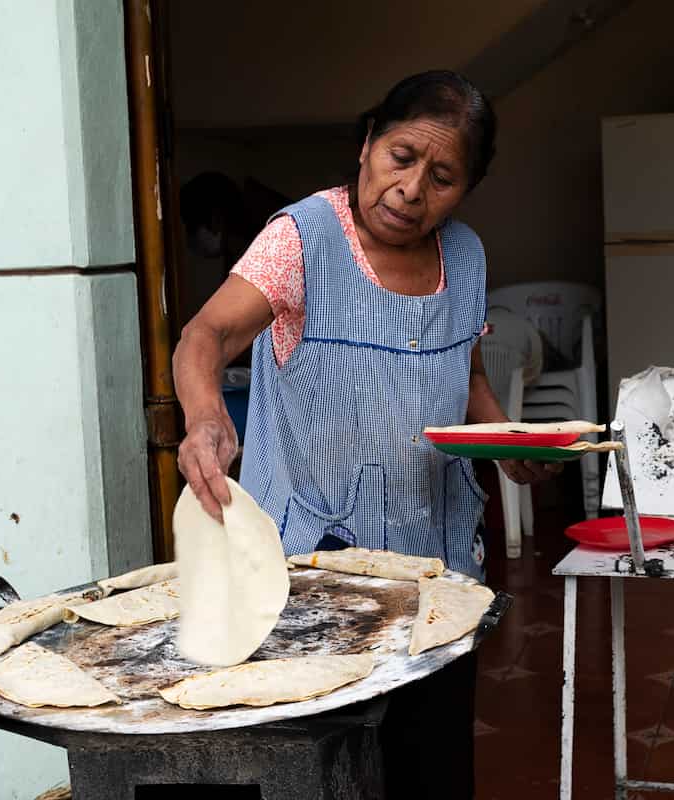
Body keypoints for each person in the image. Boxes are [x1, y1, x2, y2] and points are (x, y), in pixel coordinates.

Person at [171, 70, 558, 798]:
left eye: (443, 177)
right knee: (331, 772)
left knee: (431, 764)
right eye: (402, 158)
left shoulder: (465, 254)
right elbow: (204, 334)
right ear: (367, 144)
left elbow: (466, 377)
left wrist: (508, 444)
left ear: (466, 188)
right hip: (316, 575)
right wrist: (205, 420)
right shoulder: (301, 238)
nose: (413, 190)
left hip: (439, 570)